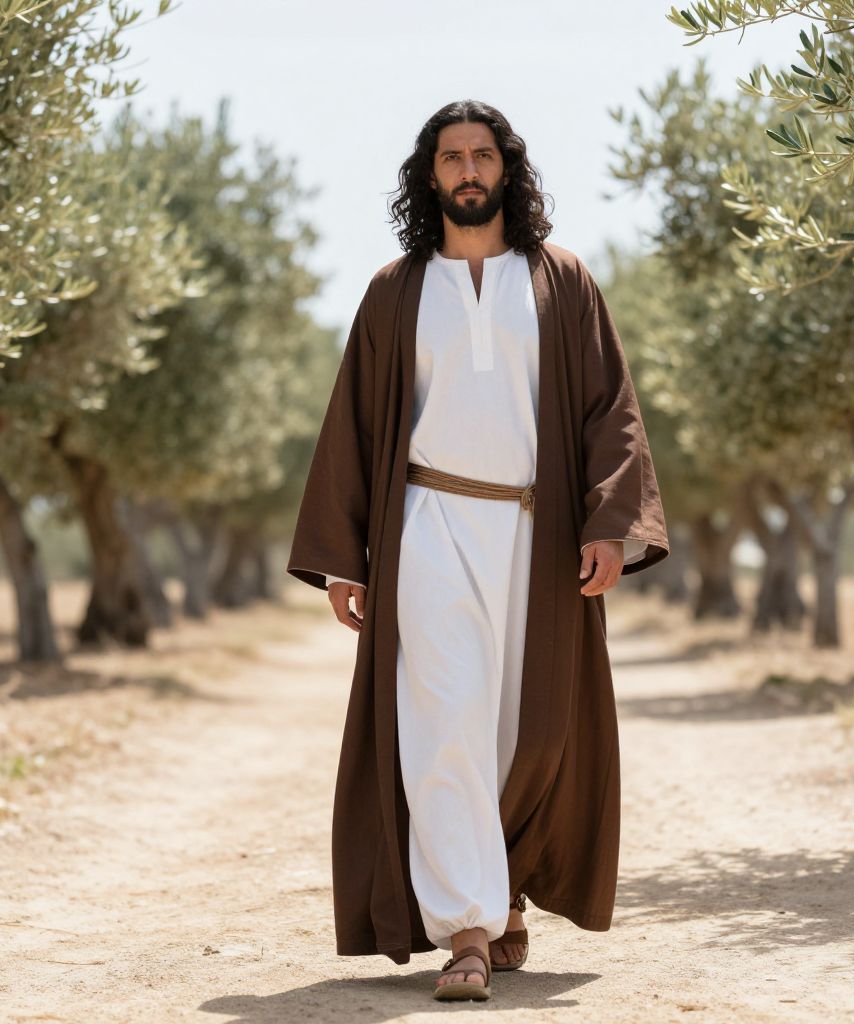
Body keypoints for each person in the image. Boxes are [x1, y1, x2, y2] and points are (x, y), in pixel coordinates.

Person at [286, 99, 669, 1002]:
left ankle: (504, 889)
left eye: (483, 156)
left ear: (507, 170)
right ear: (431, 176)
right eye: (451, 157)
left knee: (525, 728)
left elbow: (610, 409)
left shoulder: (561, 280)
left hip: (536, 539)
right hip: (428, 527)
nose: (468, 171)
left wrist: (610, 524)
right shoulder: (395, 291)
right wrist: (346, 555)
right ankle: (465, 929)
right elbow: (353, 423)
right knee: (444, 721)